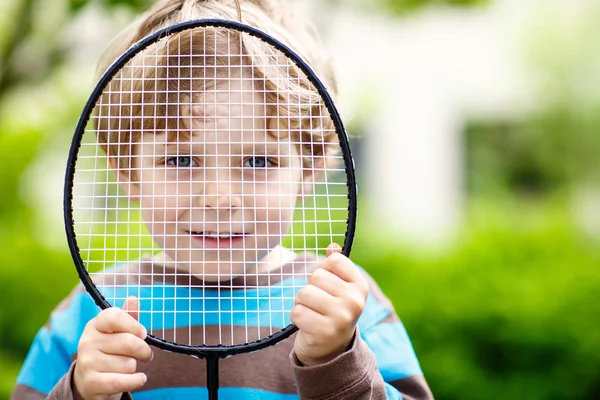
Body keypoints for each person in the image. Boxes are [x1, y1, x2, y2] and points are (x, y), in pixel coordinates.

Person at [12, 0, 434, 399]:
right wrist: (80, 391)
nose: (218, 198)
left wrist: (335, 359)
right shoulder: (89, 312)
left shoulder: (344, 306)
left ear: (309, 171)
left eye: (257, 160)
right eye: (180, 159)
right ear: (127, 173)